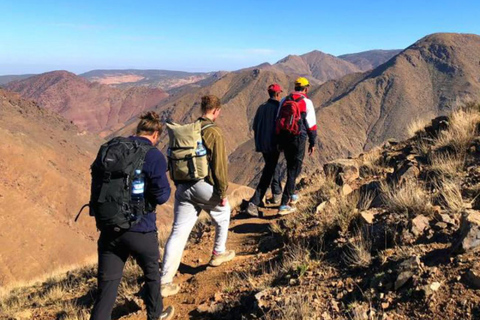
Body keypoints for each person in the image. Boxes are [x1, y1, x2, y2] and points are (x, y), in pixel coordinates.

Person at [90, 112, 174, 320]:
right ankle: (156, 315)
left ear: (138, 131)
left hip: (109, 228)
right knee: (152, 274)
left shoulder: (114, 148)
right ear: (155, 134)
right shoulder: (153, 154)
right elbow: (162, 195)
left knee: (107, 286)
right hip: (140, 228)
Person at [161, 95, 235, 297]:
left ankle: (164, 281)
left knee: (178, 233)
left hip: (183, 187)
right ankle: (218, 253)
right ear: (216, 111)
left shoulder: (190, 130)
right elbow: (219, 166)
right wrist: (221, 192)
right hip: (204, 186)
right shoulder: (214, 132)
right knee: (223, 212)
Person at [276, 77, 317, 215]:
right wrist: (312, 142)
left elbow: (278, 120)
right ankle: (284, 204)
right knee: (295, 168)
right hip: (299, 138)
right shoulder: (306, 102)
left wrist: (279, 141)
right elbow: (311, 125)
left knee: (290, 166)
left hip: (285, 138)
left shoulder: (284, 100)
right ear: (306, 88)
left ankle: (292, 193)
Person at [246, 83, 284, 217]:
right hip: (273, 145)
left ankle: (277, 194)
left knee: (273, 167)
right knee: (268, 172)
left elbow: (255, 126)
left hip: (262, 145)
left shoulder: (261, 108)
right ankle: (254, 203)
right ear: (278, 94)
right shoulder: (279, 108)